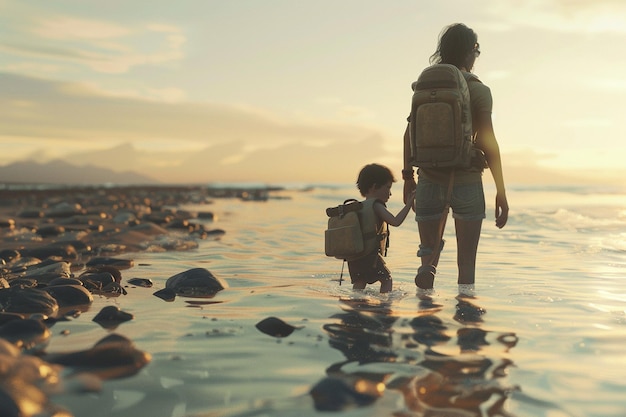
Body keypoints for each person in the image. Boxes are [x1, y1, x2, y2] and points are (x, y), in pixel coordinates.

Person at [402, 23, 509, 290]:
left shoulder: (426, 87)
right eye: (477, 50)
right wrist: (501, 191)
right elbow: (488, 141)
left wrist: (407, 179)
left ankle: (426, 299)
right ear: (469, 52)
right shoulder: (480, 90)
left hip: (428, 180)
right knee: (467, 268)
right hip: (467, 181)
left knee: (428, 255)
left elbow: (408, 136)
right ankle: (467, 323)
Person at [348, 163, 415, 293]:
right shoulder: (376, 206)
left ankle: (355, 305)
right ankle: (384, 306)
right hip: (369, 255)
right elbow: (395, 221)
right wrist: (409, 203)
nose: (389, 194)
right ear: (374, 187)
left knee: (360, 282)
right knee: (386, 279)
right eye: (388, 188)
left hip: (355, 256)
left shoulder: (359, 206)